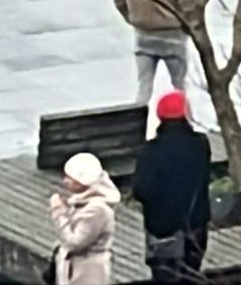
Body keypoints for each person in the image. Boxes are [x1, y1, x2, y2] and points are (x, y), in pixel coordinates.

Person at [133, 91, 211, 284]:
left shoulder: (150, 152)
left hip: (163, 229)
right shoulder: (200, 144)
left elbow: (141, 190)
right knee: (191, 276)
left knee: (164, 278)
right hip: (195, 225)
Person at [50, 153, 120, 285]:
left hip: (87, 273)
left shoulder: (97, 210)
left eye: (70, 178)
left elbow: (74, 242)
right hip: (78, 269)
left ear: (82, 181)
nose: (65, 181)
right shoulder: (83, 201)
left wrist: (59, 212)